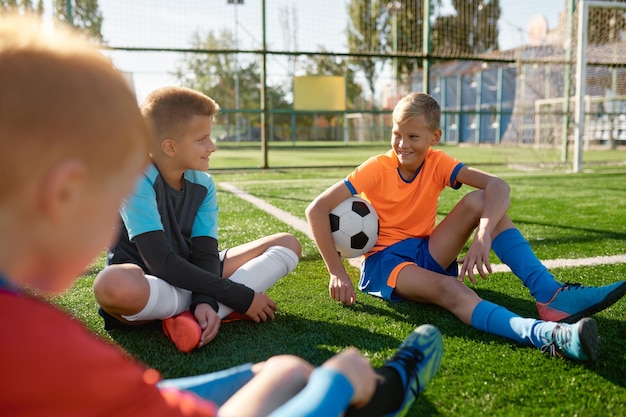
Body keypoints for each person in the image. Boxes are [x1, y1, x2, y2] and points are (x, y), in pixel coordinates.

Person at [0, 15, 444, 417]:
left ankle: (203, 314)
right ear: (63, 193)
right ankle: (385, 388)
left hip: (193, 279)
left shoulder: (26, 328)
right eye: (113, 179)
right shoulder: (33, 345)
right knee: (288, 371)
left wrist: (208, 302)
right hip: (160, 279)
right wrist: (337, 380)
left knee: (285, 370)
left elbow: (202, 256)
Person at [306, 92, 626, 363]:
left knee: (480, 201)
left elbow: (497, 186)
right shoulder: (377, 167)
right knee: (453, 290)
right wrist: (337, 271)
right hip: (387, 263)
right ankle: (548, 335)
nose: (402, 144)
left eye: (413, 136)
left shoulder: (438, 162)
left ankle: (549, 294)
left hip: (425, 249)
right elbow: (317, 210)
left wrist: (482, 236)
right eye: (397, 134)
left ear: (434, 138)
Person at [92, 86, 302, 352]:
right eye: (202, 139)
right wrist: (241, 296)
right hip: (150, 285)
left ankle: (196, 314)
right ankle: (210, 308)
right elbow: (160, 262)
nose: (212, 147)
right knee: (111, 285)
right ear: (170, 146)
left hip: (192, 272)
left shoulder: (203, 183)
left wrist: (205, 299)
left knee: (287, 243)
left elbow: (205, 253)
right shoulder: (135, 178)